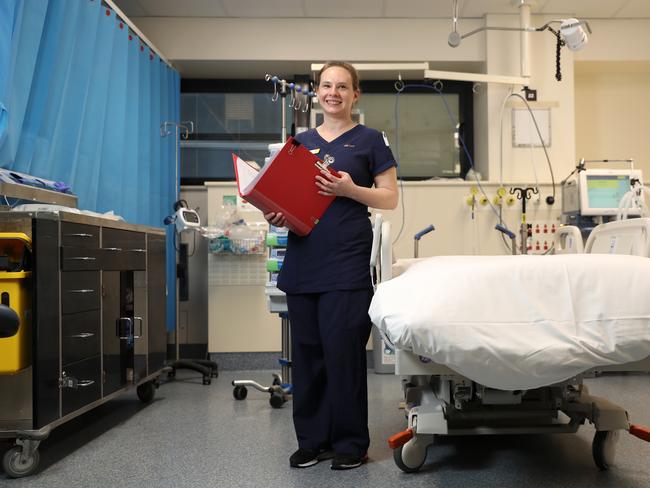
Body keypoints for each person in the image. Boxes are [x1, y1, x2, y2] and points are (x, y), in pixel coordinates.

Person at [265, 61, 398, 471]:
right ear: (316, 92)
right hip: (304, 262)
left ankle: (350, 444)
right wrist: (276, 214)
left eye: (343, 86)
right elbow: (288, 198)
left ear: (355, 94)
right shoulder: (300, 143)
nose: (334, 92)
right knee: (307, 357)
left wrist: (349, 189)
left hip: (346, 263)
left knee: (342, 356)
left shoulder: (370, 140)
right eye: (326, 85)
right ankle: (312, 442)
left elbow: (388, 197)